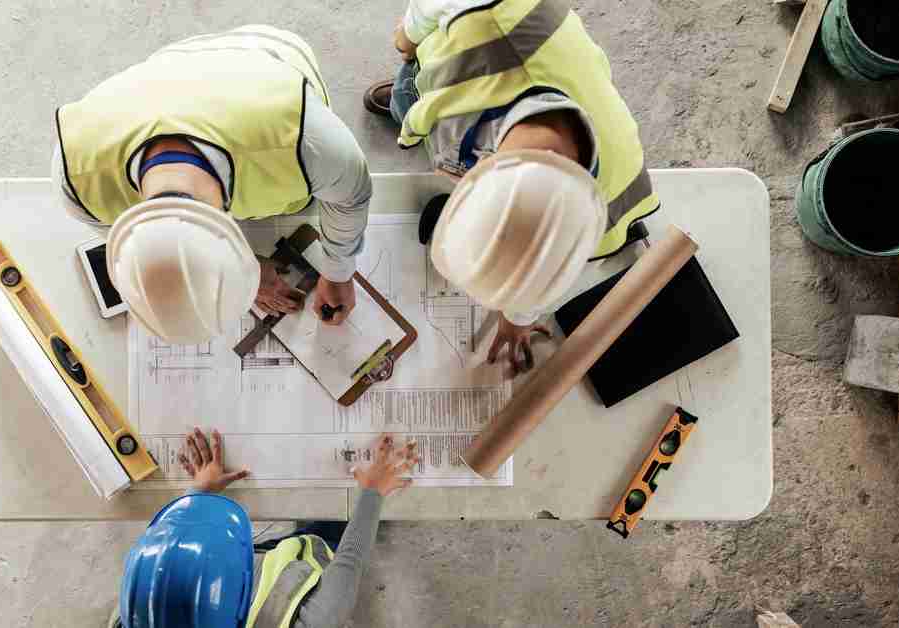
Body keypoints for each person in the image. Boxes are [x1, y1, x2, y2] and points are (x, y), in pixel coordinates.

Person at [363, 0, 661, 374]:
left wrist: (517, 316)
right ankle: (408, 97)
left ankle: (414, 105)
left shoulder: (595, 208)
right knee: (410, 101)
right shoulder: (484, 14)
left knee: (424, 117)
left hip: (466, 109)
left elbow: (542, 265)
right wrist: (408, 38)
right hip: (457, 69)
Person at [52, 26, 372, 344]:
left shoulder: (309, 141)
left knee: (303, 202)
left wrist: (338, 272)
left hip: (268, 54)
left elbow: (351, 197)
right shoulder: (76, 180)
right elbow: (141, 248)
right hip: (161, 76)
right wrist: (251, 274)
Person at [113, 428, 419, 628]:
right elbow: (350, 561)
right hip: (313, 576)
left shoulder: (138, 609)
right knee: (334, 527)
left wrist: (200, 493)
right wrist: (373, 491)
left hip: (275, 567)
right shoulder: (313, 620)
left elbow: (167, 562)